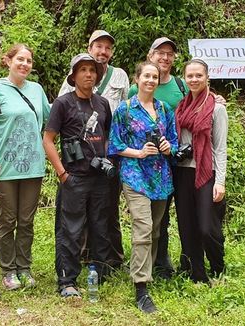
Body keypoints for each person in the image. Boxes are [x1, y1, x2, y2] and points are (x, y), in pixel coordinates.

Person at [108, 61, 178, 313]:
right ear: (137, 79)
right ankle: (141, 287)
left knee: (156, 230)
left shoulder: (165, 108)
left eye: (155, 76)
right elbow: (114, 145)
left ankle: (144, 269)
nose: (150, 80)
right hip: (135, 175)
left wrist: (170, 147)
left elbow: (174, 141)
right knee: (143, 227)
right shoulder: (125, 110)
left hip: (161, 177)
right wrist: (138, 153)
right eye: (146, 76)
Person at [43, 53, 113, 298]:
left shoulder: (102, 104)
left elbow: (108, 136)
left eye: (92, 71)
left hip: (99, 179)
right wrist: (62, 174)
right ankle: (67, 280)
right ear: (73, 76)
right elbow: (48, 140)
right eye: (83, 70)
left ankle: (102, 272)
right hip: (74, 177)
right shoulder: (63, 103)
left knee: (100, 227)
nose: (88, 74)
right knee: (70, 229)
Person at [58, 30, 129, 269]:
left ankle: (109, 262)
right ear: (90, 48)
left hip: (107, 160)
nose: (103, 51)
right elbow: (55, 124)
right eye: (98, 46)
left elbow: (119, 120)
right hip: (76, 167)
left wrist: (111, 156)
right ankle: (74, 265)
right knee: (75, 219)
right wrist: (62, 172)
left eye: (108, 48)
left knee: (106, 214)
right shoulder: (68, 94)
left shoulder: (118, 77)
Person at [0, 44, 50, 290]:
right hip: (5, 166)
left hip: (33, 166)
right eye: (20, 59)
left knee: (26, 220)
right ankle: (8, 270)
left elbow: (49, 121)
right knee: (7, 219)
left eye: (29, 61)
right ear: (8, 60)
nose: (25, 64)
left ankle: (24, 267)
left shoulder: (36, 90)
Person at [128, 37, 187, 279]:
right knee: (146, 221)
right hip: (141, 167)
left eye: (169, 54)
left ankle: (160, 261)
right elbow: (123, 132)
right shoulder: (133, 95)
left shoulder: (180, 86)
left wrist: (215, 97)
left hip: (171, 162)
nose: (165, 57)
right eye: (160, 53)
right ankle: (146, 270)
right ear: (150, 56)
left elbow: (197, 98)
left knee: (163, 218)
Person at [174, 58, 227, 284]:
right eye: (190, 76)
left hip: (206, 172)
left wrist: (220, 181)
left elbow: (220, 147)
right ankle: (196, 271)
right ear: (184, 79)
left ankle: (218, 266)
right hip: (182, 171)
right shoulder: (181, 107)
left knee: (207, 227)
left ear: (207, 78)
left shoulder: (217, 108)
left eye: (199, 76)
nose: (194, 79)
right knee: (187, 225)